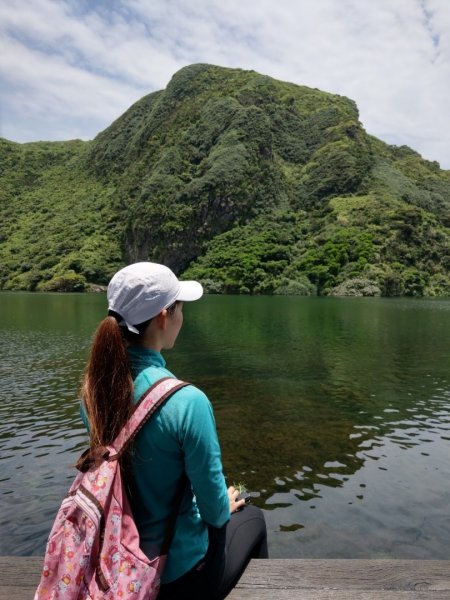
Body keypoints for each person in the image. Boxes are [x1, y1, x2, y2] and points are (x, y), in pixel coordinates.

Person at [80, 262, 268, 599]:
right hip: (178, 575)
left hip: (118, 559)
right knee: (252, 518)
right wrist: (225, 501)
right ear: (164, 316)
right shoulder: (187, 402)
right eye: (180, 309)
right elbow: (214, 512)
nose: (183, 317)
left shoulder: (93, 392)